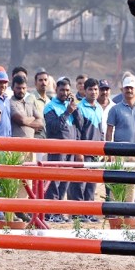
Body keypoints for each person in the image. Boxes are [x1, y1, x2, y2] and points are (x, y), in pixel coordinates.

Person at [105, 74, 135, 206]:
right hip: (119, 153)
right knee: (117, 182)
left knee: (132, 184)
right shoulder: (115, 109)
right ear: (122, 90)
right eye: (126, 88)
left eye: (131, 88)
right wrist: (109, 152)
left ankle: (129, 211)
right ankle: (114, 209)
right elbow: (109, 131)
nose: (129, 90)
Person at [43, 77, 85, 221]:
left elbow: (80, 125)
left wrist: (75, 109)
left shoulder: (71, 105)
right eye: (62, 90)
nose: (65, 93)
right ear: (56, 90)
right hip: (57, 148)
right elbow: (54, 127)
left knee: (65, 181)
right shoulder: (50, 106)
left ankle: (59, 212)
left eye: (67, 90)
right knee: (54, 181)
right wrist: (67, 112)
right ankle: (51, 213)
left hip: (70, 148)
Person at [69, 78, 104, 215]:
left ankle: (89, 212)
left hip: (95, 152)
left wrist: (102, 150)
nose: (93, 92)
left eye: (96, 89)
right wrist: (78, 152)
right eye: (90, 89)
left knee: (92, 184)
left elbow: (101, 131)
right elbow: (77, 131)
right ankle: (78, 213)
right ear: (85, 90)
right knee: (80, 183)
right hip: (84, 151)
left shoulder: (99, 108)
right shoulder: (80, 108)